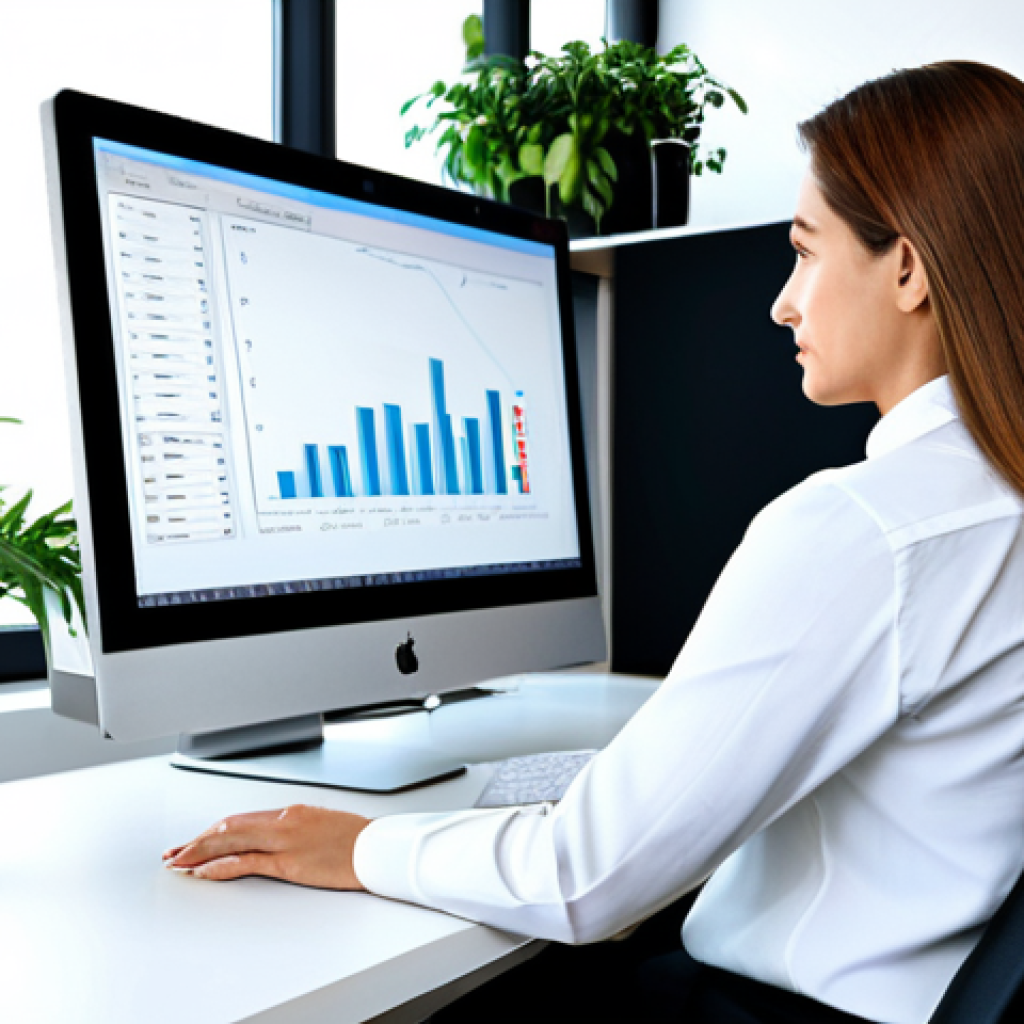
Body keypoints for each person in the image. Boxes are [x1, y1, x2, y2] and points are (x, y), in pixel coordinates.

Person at [162, 61, 1024, 1024]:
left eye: (806, 253)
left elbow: (583, 873)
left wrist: (360, 847)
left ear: (906, 267)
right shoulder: (997, 505)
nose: (783, 302)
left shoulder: (868, 531)